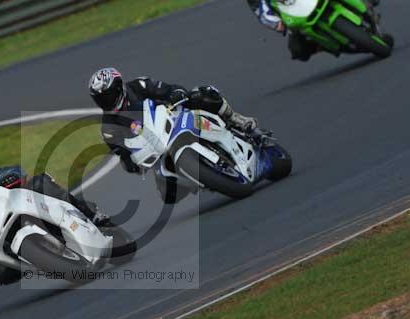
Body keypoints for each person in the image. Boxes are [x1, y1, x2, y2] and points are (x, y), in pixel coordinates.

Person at [88, 67, 258, 203]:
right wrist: (131, 164)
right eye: (101, 99)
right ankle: (206, 176)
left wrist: (176, 94)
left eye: (108, 96)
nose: (106, 102)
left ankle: (236, 119)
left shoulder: (138, 86)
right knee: (168, 195)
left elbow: (168, 89)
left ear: (119, 87)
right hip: (157, 148)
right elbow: (123, 155)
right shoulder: (108, 128)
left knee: (202, 94)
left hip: (174, 117)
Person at [248, 0, 381, 61]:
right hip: (293, 14)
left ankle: (364, 4)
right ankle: (322, 45)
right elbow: (260, 11)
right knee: (298, 51)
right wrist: (277, 24)